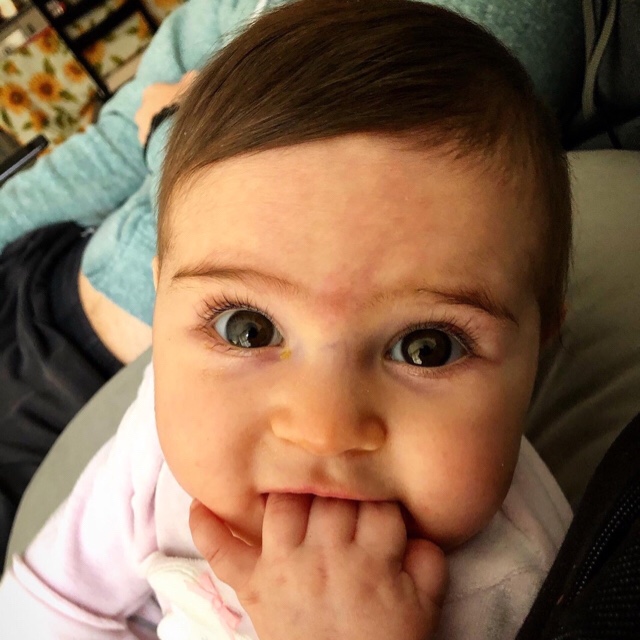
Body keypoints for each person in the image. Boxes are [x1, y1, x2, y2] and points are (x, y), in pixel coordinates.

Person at [0, 1, 573, 638]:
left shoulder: (528, 591)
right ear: (162, 304)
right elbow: (46, 602)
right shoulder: (159, 435)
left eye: (427, 347)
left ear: (540, 348)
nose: (322, 428)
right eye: (247, 329)